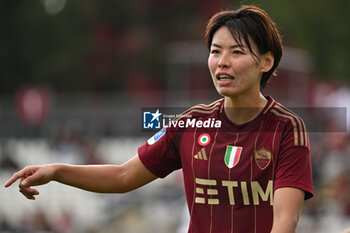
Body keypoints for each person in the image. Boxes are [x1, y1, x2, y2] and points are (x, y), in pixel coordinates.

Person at [4, 5, 313, 233]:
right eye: (215, 51)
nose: (222, 62)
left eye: (236, 52)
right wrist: (57, 170)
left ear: (266, 61)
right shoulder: (190, 123)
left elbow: (285, 220)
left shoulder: (287, 129)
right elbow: (123, 176)